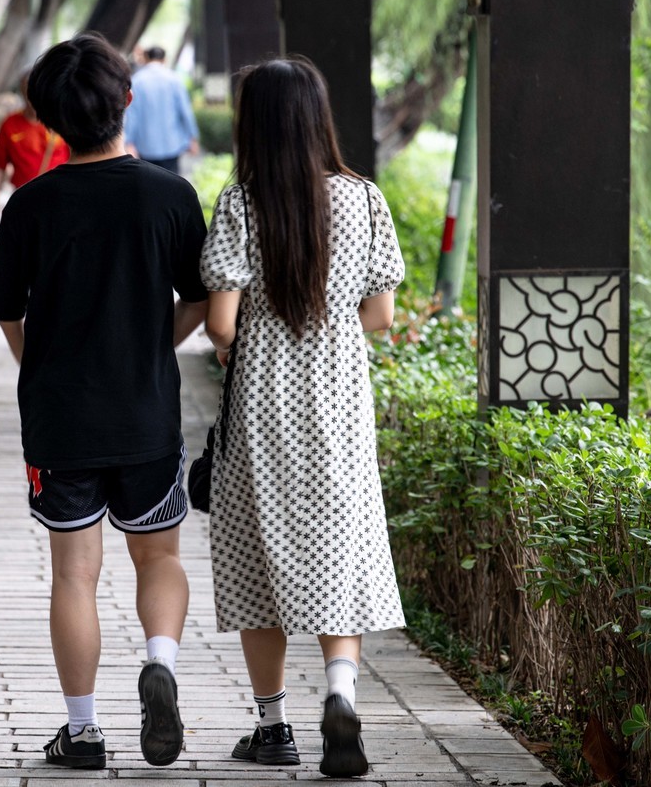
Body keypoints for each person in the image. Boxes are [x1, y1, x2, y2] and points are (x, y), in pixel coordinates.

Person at [0, 33, 208, 771]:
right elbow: (202, 300)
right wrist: (149, 346)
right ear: (128, 101)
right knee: (160, 555)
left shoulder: (32, 204)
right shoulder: (171, 196)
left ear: (45, 120)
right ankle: (162, 663)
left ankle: (81, 733)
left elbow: (8, 311)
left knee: (74, 571)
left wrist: (40, 364)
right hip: (146, 415)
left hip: (61, 420)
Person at [200, 56, 406, 778]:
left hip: (263, 407)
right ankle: (342, 695)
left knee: (259, 558)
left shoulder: (240, 204)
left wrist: (237, 342)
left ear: (253, 124)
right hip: (340, 405)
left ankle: (273, 727)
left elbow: (221, 324)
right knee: (336, 549)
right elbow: (379, 315)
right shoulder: (363, 199)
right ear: (319, 117)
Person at [0, 72, 71, 228]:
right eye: (27, 92)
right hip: (24, 198)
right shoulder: (10, 124)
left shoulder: (60, 121)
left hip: (59, 198)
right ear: (22, 92)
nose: (31, 98)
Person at [123, 46, 199, 173]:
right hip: (172, 144)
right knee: (173, 183)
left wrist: (129, 141)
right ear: (164, 59)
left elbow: (131, 115)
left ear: (146, 58)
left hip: (146, 145)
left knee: (150, 184)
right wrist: (193, 137)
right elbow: (185, 111)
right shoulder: (174, 79)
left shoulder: (137, 81)